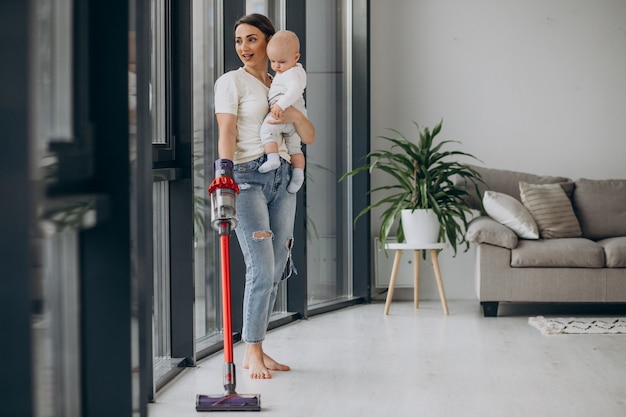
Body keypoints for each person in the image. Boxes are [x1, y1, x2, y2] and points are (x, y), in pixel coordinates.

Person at [213, 14, 315, 380]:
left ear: (270, 43)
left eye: (251, 39)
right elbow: (226, 129)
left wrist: (290, 112)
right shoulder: (230, 82)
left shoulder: (283, 83)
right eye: (238, 40)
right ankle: (251, 350)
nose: (243, 48)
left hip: (284, 177)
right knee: (259, 265)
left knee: (274, 267)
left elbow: (308, 133)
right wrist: (223, 172)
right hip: (246, 178)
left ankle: (258, 345)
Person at [258, 30, 307, 193]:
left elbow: (293, 91)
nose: (276, 66)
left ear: (296, 57)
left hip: (283, 111)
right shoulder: (294, 70)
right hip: (295, 119)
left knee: (267, 131)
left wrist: (281, 105)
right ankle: (299, 175)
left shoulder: (291, 73)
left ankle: (272, 158)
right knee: (295, 148)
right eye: (272, 61)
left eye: (281, 62)